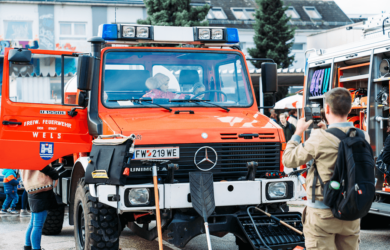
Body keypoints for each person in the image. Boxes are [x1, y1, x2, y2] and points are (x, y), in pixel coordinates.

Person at [282, 87, 370, 250]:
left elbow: (288, 160)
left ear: (327, 109)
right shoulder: (362, 136)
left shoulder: (319, 138)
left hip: (322, 212)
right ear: (350, 108)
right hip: (351, 211)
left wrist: (298, 132)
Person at [22, 165, 59, 250]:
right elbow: (41, 165)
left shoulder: (23, 155)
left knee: (33, 223)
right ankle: (36, 248)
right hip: (41, 191)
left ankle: (27, 246)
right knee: (38, 225)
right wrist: (55, 174)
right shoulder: (34, 153)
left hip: (32, 190)